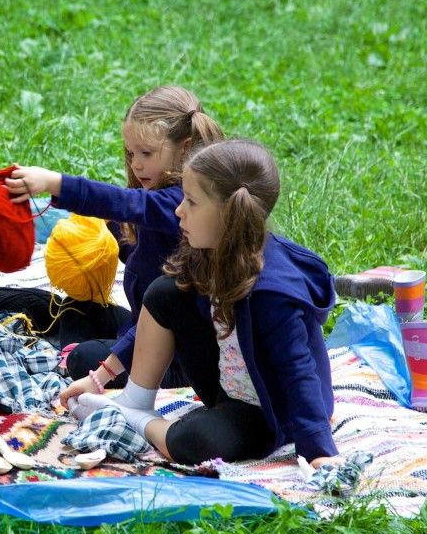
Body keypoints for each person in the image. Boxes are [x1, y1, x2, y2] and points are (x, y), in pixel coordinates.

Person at [63, 139, 339, 468]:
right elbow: (156, 317)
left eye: (191, 202)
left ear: (229, 214)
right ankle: (134, 400)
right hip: (225, 382)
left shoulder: (272, 292)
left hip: (269, 413)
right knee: (166, 290)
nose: (179, 210)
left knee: (193, 442)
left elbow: (297, 371)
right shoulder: (209, 251)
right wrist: (101, 376)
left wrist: (319, 451)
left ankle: (134, 419)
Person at [0, 85, 224, 387]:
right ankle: (74, 345)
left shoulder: (180, 204)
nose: (136, 164)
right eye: (131, 153)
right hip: (140, 327)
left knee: (83, 357)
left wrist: (54, 184)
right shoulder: (159, 198)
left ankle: (73, 356)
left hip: (174, 359)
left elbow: (126, 204)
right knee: (7, 301)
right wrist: (99, 232)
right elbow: (136, 244)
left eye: (146, 153)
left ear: (184, 149)